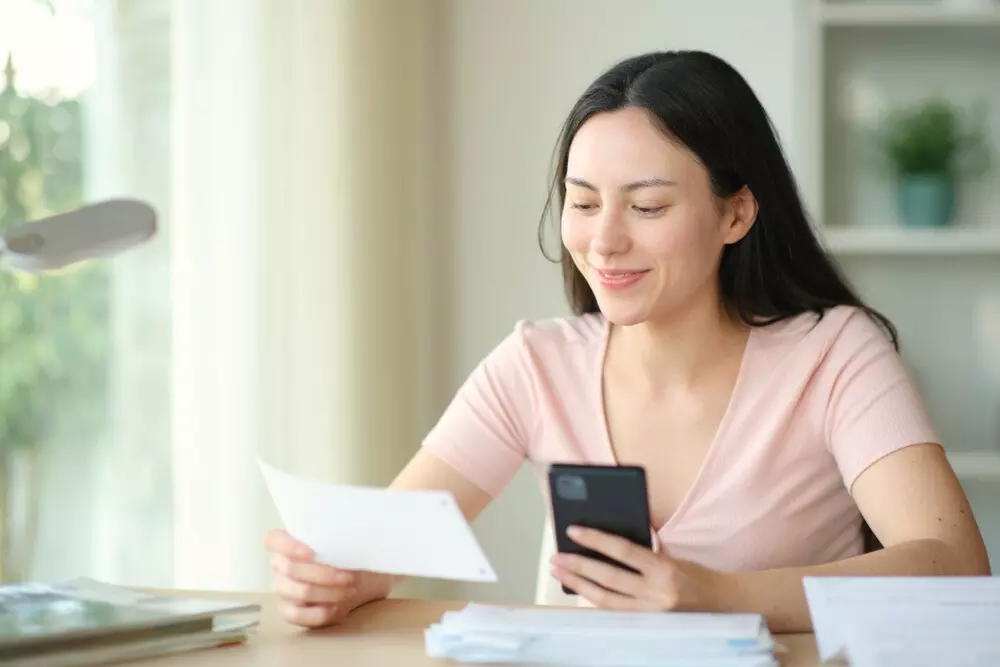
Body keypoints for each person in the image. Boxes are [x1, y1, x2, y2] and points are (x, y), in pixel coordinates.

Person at [263, 50, 991, 633]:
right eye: (583, 203)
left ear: (736, 214)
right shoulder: (537, 365)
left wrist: (716, 595)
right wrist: (340, 577)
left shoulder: (835, 355)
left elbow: (957, 567)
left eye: (646, 206)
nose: (604, 240)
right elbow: (388, 542)